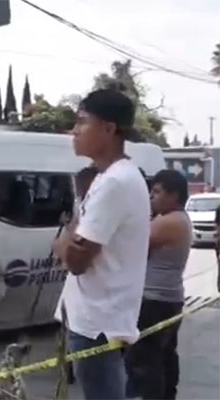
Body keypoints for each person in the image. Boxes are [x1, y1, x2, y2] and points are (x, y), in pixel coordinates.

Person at [54, 89, 150, 400]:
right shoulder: (108, 177)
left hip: (97, 326)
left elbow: (76, 261)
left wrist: (65, 239)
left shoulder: (114, 182)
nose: (74, 130)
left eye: (82, 122)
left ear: (108, 129)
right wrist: (72, 236)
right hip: (95, 320)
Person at [125, 169, 191, 399]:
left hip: (155, 299)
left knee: (146, 360)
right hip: (167, 298)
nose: (151, 197)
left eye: (156, 192)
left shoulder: (169, 222)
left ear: (174, 196)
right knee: (163, 356)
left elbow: (132, 248)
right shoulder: (174, 219)